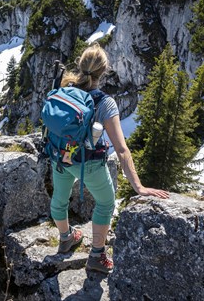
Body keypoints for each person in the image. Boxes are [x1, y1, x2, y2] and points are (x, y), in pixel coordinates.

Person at [49, 42, 169, 274]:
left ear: (80, 66)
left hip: (59, 156)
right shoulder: (105, 102)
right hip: (88, 163)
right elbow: (121, 149)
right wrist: (139, 186)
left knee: (60, 197)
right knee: (105, 202)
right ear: (104, 71)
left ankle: (65, 238)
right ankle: (96, 255)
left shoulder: (63, 89)